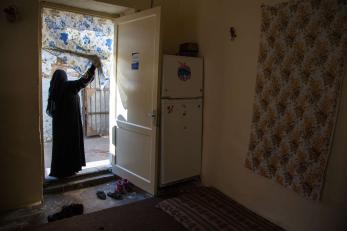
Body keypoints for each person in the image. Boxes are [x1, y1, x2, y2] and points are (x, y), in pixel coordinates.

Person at [46, 56, 101, 178]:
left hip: (59, 127)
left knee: (61, 148)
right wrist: (93, 67)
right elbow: (83, 81)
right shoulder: (68, 87)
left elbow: (52, 110)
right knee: (70, 147)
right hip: (70, 126)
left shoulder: (54, 91)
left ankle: (60, 171)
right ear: (63, 78)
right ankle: (69, 170)